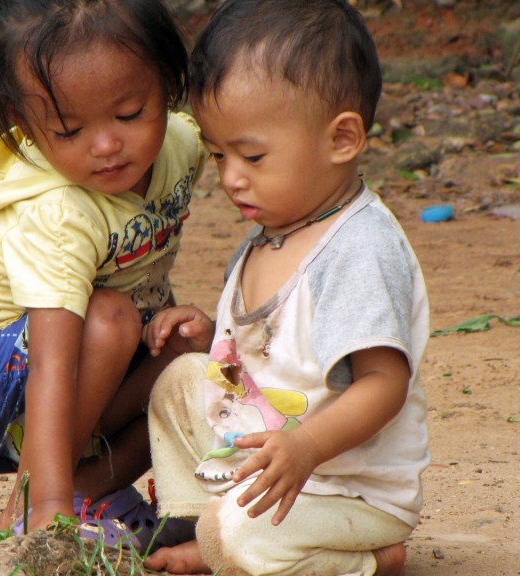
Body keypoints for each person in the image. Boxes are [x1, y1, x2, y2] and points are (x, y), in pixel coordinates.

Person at [0, 0, 204, 551]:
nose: (107, 145)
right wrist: (45, 511)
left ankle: (90, 494)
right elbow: (52, 363)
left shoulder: (182, 146)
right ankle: (34, 520)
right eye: (68, 130)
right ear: (28, 128)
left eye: (130, 114)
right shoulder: (59, 213)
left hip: (78, 374)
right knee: (112, 316)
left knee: (192, 344)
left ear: (166, 85)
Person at [140, 0, 430, 573]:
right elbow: (258, 364)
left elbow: (383, 383)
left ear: (341, 139)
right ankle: (208, 526)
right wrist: (210, 336)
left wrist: (305, 449)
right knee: (177, 383)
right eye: (219, 155)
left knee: (243, 536)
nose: (230, 177)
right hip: (266, 459)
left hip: (344, 489)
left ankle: (367, 559)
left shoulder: (357, 248)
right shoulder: (268, 233)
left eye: (252, 155)